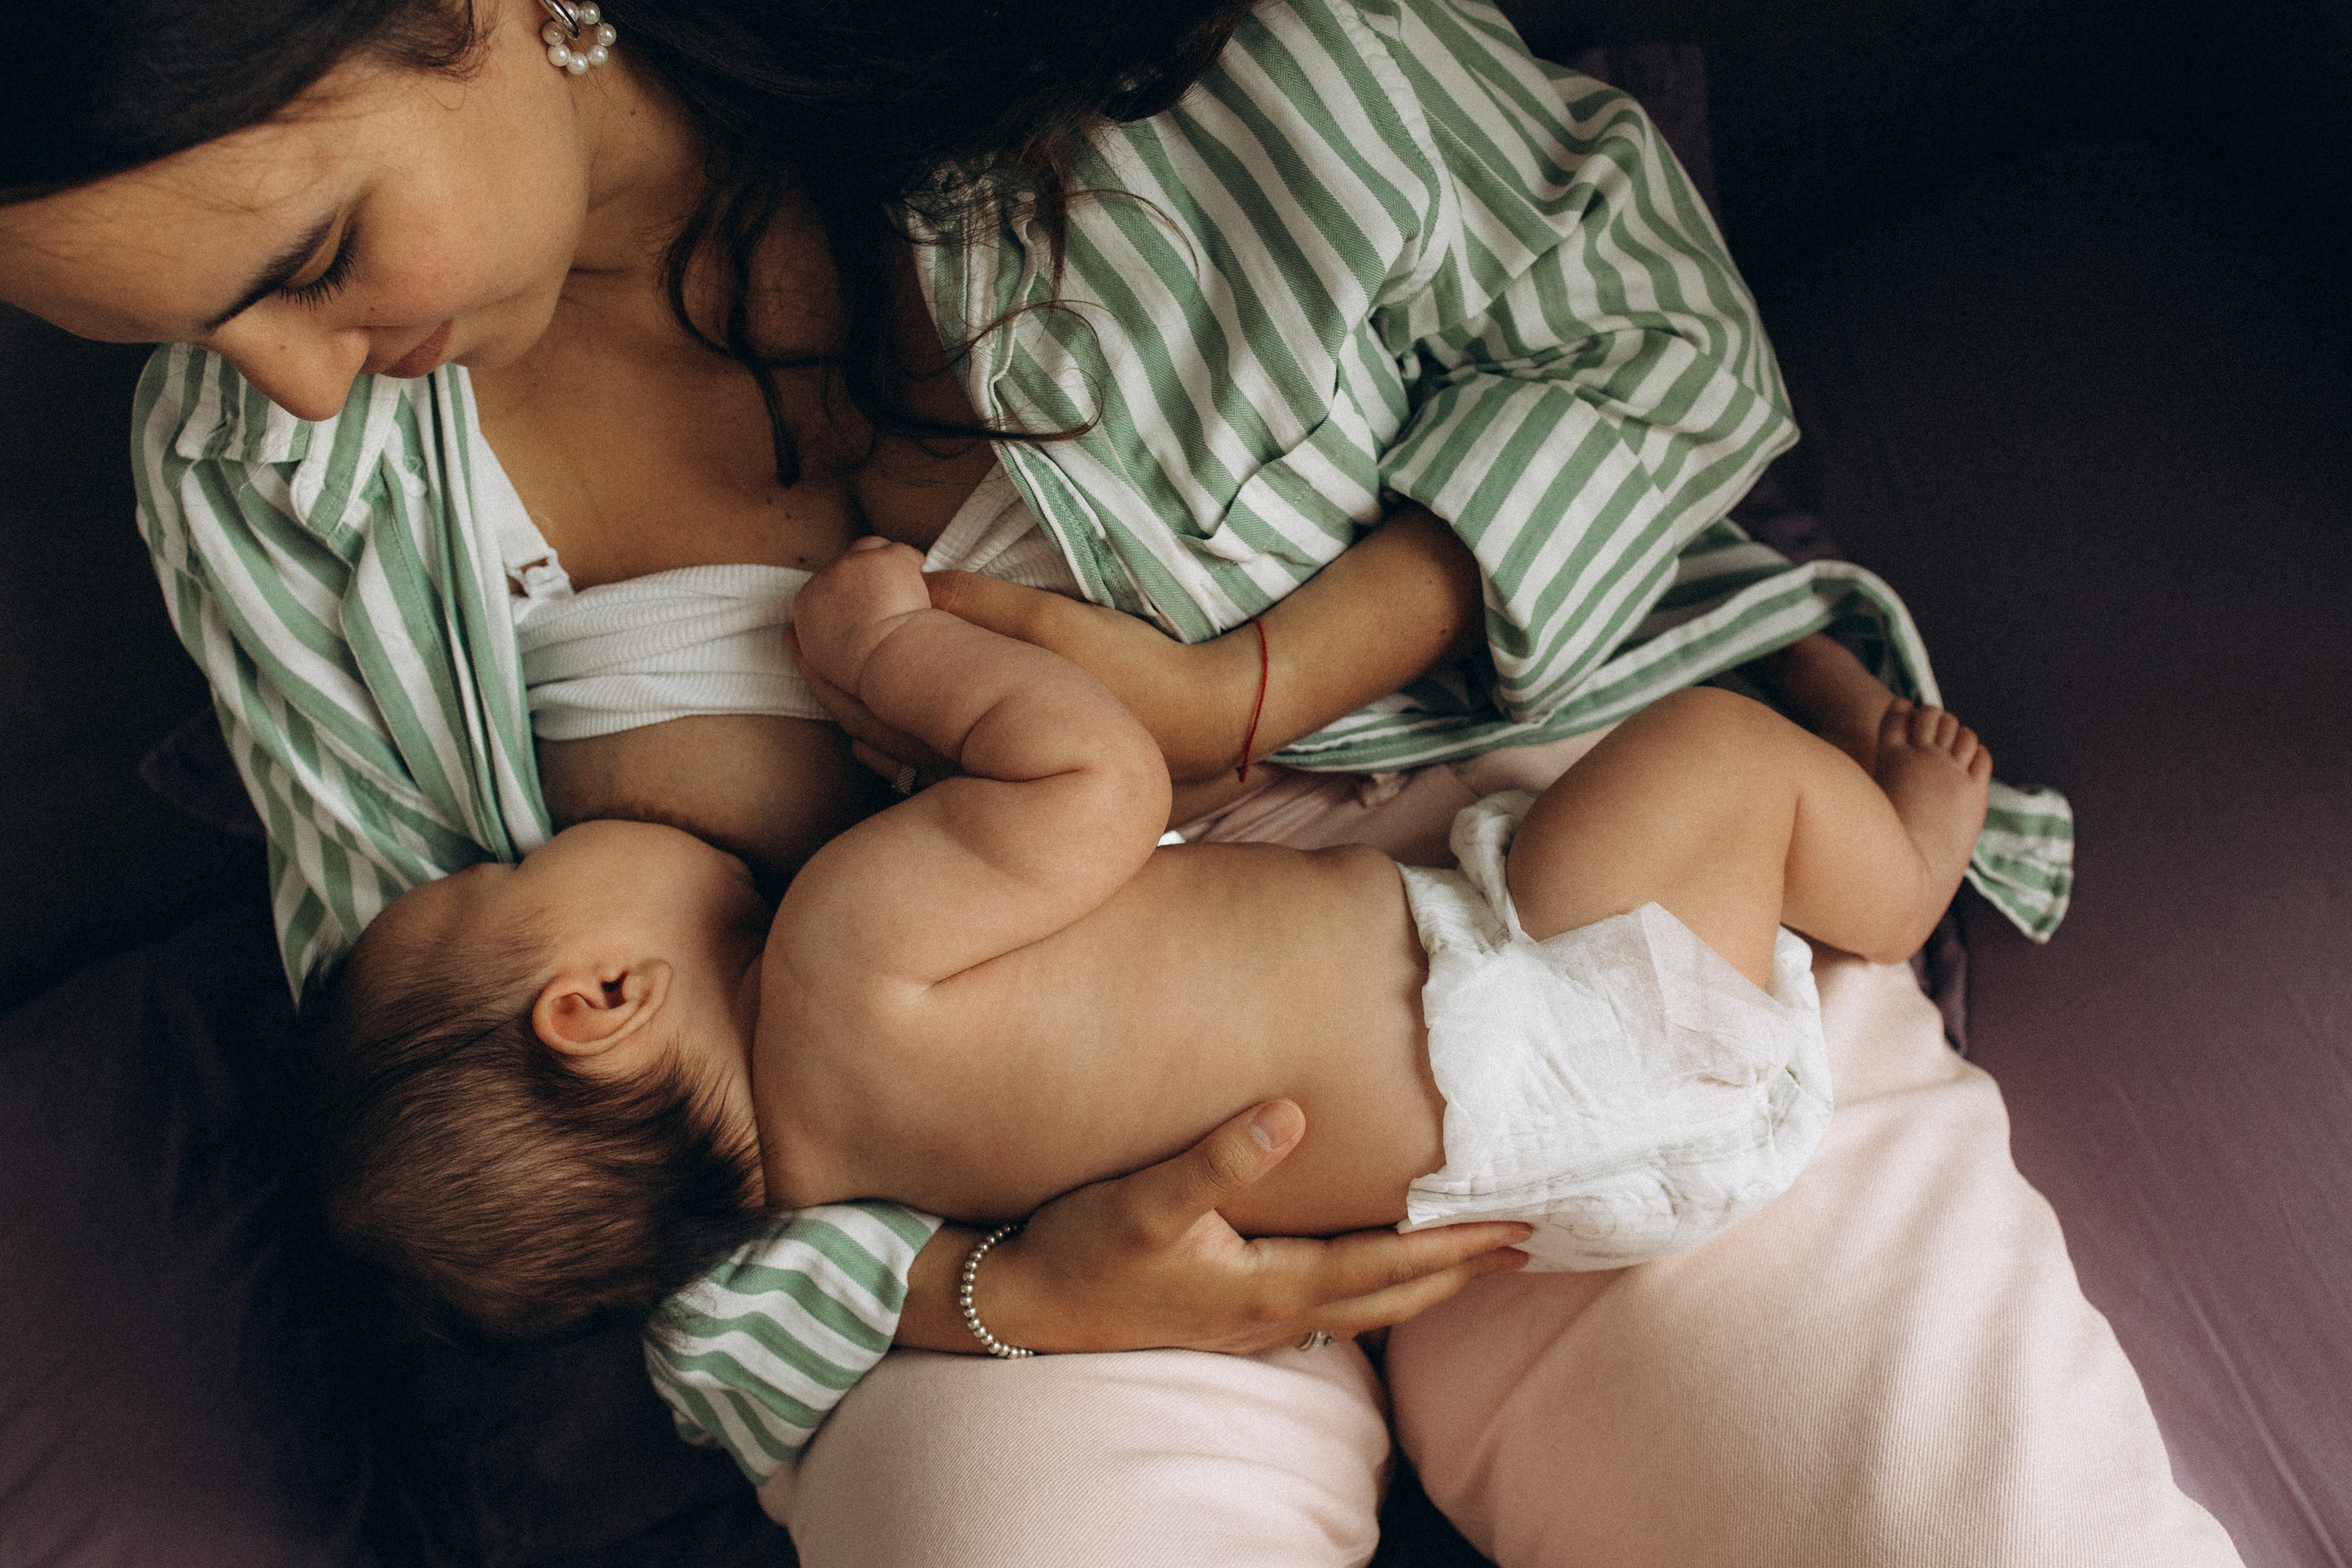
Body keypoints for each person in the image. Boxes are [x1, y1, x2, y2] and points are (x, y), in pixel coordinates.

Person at [0, 0, 2089, 1562]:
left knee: (1953, 1509)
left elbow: (1648, 332)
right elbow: (488, 1121)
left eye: (294, 260)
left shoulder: (1138, 52)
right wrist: (981, 1288)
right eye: (181, 333)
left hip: (1500, 874)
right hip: (964, 1194)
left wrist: (1253, 678)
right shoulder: (256, 475)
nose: (262, 381)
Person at [315, 536, 1995, 1353]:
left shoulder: (834, 1192)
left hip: (1544, 1200)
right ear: (596, 1004)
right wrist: (891, 652)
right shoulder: (830, 952)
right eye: (489, 883)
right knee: (1697, 754)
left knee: (1640, 816)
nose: (517, 845)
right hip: (1552, 1016)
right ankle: (1904, 866)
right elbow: (1095, 783)